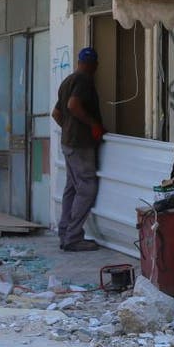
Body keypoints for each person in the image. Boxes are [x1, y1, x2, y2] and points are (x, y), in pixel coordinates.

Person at [50, 47, 106, 252]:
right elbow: (73, 105)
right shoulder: (84, 81)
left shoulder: (68, 81)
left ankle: (65, 233)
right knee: (87, 188)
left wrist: (68, 129)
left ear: (79, 61)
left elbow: (56, 113)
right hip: (80, 145)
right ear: (94, 65)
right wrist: (92, 124)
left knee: (72, 188)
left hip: (68, 143)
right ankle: (73, 237)